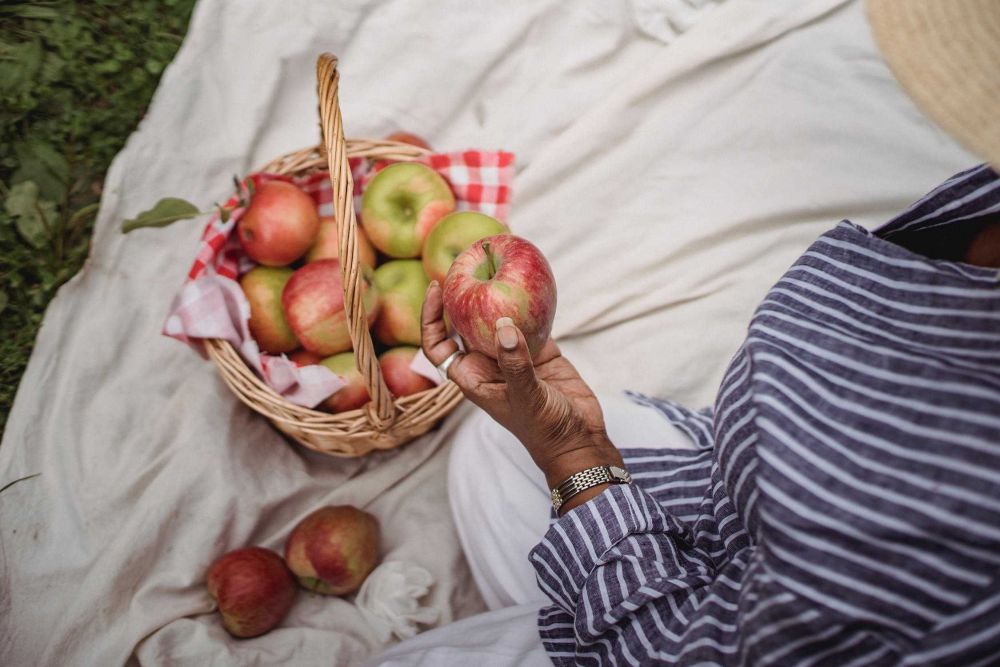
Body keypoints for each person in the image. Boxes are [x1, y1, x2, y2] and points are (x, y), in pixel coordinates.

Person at [370, 1, 1000, 665]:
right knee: (485, 454)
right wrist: (582, 450)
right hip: (725, 489)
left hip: (692, 631)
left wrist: (575, 461)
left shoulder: (963, 545)